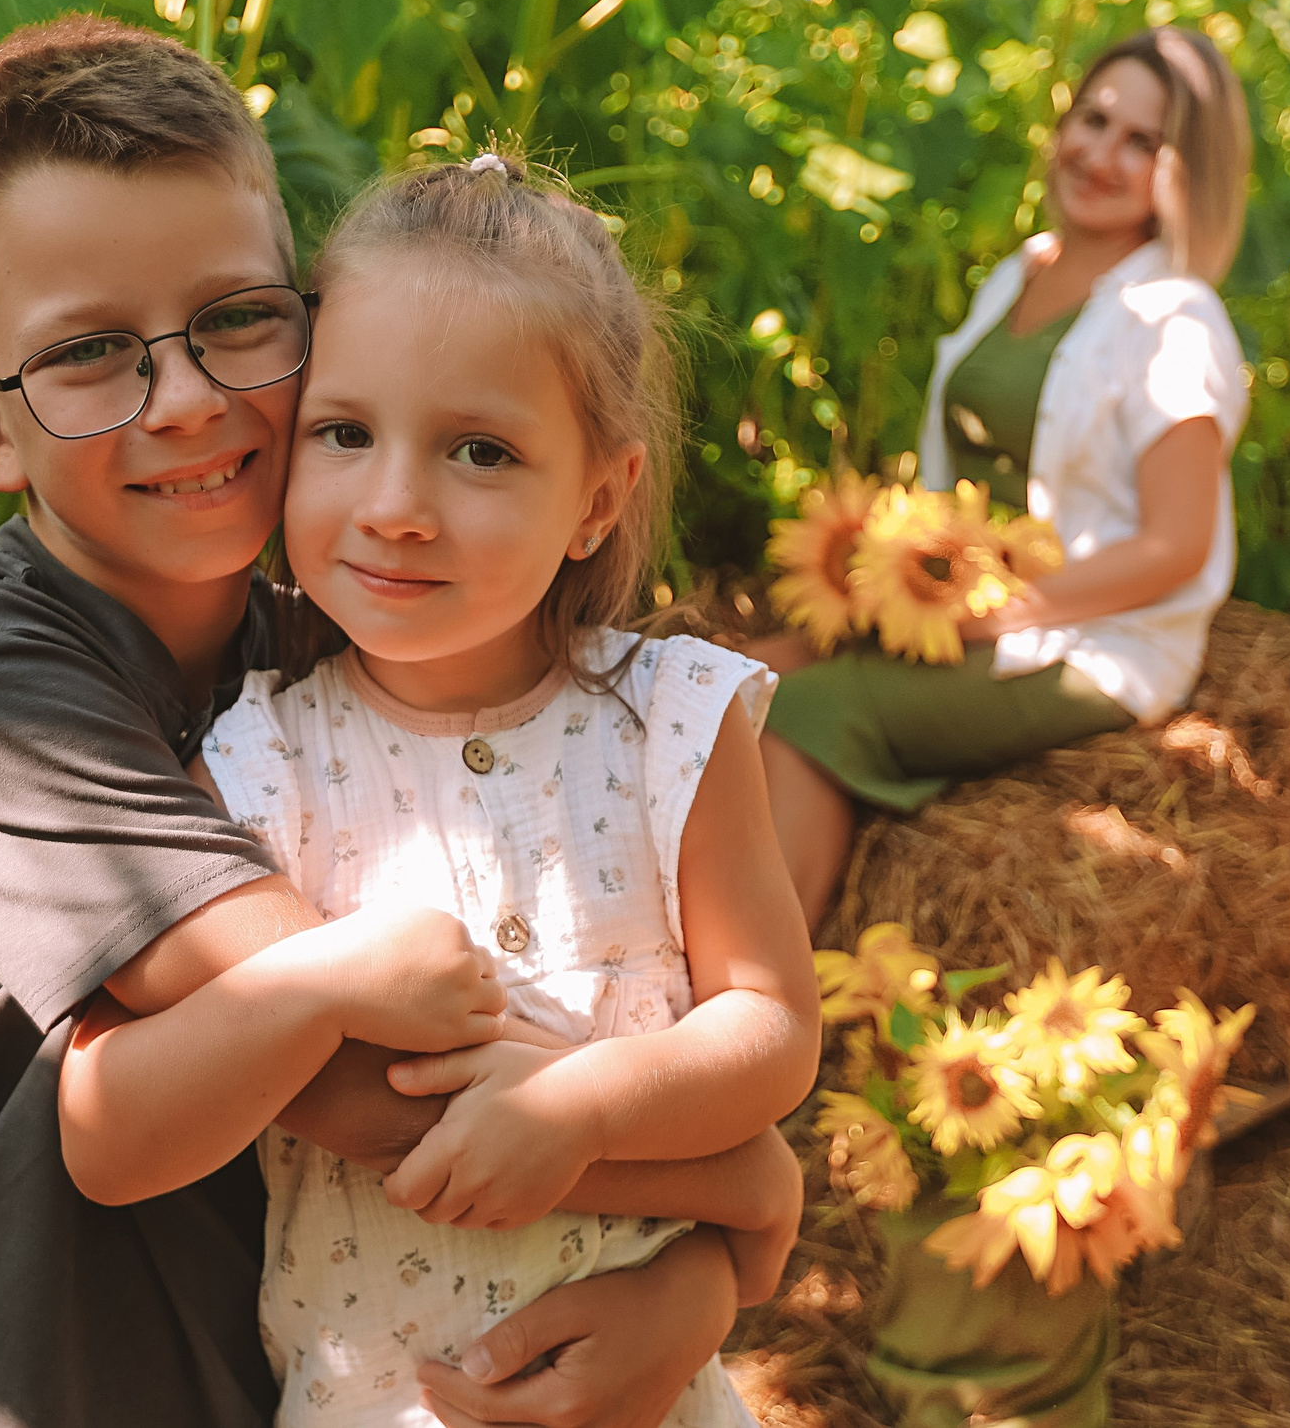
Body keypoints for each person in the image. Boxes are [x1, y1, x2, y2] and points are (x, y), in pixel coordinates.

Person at [0, 18, 804, 1428]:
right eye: (91, 353)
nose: (187, 399)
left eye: (236, 318)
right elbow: (364, 1078)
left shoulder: (324, 644)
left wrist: (699, 1282)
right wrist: (743, 1192)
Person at [55, 153, 824, 1428]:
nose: (397, 508)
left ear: (598, 498)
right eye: (343, 435)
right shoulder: (259, 761)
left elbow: (769, 1029)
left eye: (479, 450)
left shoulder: (671, 726)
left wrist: (581, 1104)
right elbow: (122, 1116)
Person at [756, 25, 1255, 928]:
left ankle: (757, 1011)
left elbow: (1177, 547)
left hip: (1090, 638)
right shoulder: (1026, 270)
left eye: (1140, 140)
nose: (1098, 153)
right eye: (1092, 118)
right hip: (958, 600)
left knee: (807, 710)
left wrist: (1000, 613)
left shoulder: (1177, 320)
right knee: (729, 678)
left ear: (1184, 171)